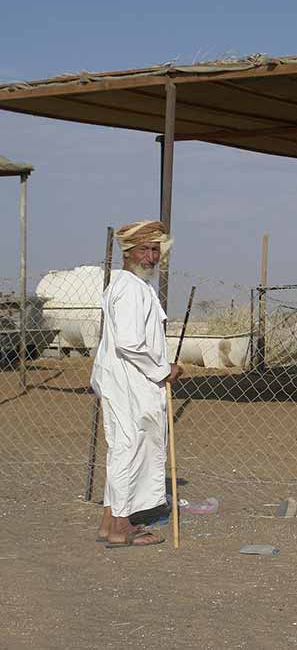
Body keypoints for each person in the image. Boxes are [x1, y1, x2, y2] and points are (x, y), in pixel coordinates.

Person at [91, 220, 182, 548]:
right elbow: (129, 342)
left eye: (156, 250)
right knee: (130, 449)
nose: (151, 256)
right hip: (130, 381)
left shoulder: (133, 286)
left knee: (122, 450)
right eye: (144, 249)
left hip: (123, 380)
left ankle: (109, 523)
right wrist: (162, 370)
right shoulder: (129, 288)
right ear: (128, 252)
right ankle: (121, 526)